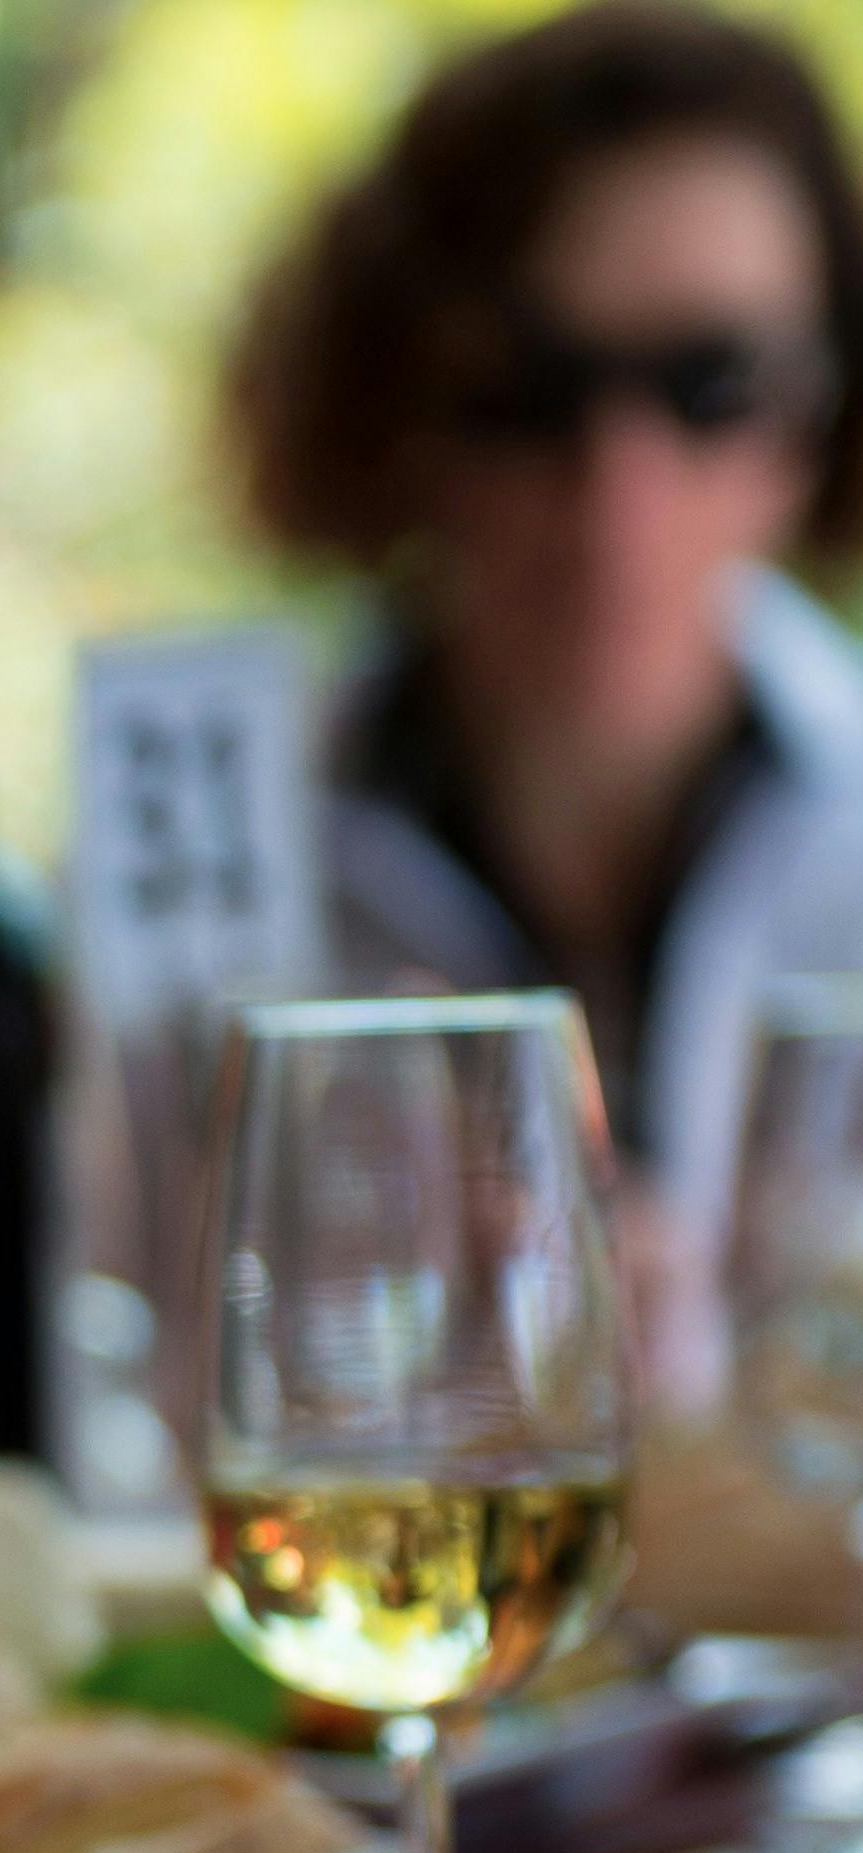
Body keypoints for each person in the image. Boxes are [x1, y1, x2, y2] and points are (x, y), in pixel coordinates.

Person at [231, 0, 863, 1307]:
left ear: (827, 410)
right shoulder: (217, 858)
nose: (615, 495)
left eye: (711, 384)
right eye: (526, 389)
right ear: (391, 396)